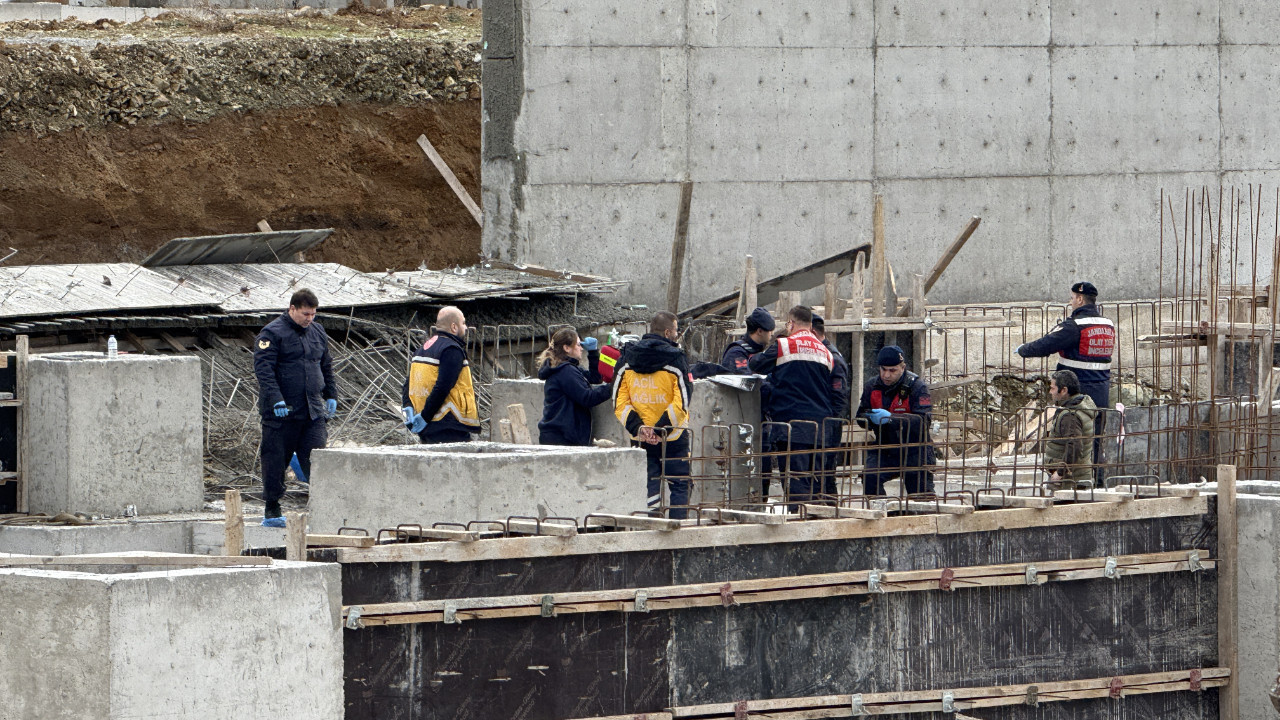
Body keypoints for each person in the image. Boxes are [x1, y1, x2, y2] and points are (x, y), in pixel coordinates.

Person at [253, 289, 337, 528]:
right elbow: (264, 370)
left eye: (313, 314)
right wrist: (275, 399)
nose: (309, 318)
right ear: (292, 309)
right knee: (276, 459)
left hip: (312, 410)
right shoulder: (271, 333)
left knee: (317, 459)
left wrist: (331, 394)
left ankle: (322, 507)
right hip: (282, 413)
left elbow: (326, 364)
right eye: (305, 314)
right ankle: (272, 509)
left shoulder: (317, 331)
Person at [749, 305, 834, 506]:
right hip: (820, 427)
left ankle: (799, 524)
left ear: (791, 323)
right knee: (815, 482)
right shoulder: (826, 352)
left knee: (796, 482)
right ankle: (816, 525)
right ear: (811, 326)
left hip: (792, 426)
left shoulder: (784, 345)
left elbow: (755, 365)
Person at [614, 311, 692, 519]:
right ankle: (677, 532)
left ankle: (652, 529)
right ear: (668, 332)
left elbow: (619, 402)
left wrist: (640, 428)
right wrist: (661, 429)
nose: (677, 335)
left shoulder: (626, 359)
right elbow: (682, 401)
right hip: (673, 437)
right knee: (680, 484)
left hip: (640, 438)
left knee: (648, 484)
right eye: (676, 331)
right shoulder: (676, 359)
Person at [1016, 281, 1114, 423]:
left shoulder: (1074, 326)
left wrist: (1023, 350)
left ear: (1080, 299)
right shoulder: (1107, 324)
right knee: (1094, 434)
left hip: (1077, 391)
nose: (1071, 302)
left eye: (1072, 298)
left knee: (1071, 433)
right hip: (1101, 390)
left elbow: (1046, 344)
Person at [856, 345, 935, 496]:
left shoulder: (917, 387)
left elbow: (924, 421)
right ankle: (882, 513)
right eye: (883, 369)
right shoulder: (872, 386)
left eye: (892, 370)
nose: (886, 375)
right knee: (870, 476)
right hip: (886, 449)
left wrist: (891, 419)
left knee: (921, 496)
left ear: (903, 367)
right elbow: (860, 416)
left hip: (915, 450)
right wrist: (870, 419)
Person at [402, 306, 480, 444]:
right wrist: (425, 416)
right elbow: (443, 387)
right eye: (463, 323)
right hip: (448, 425)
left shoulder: (422, 350)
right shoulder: (451, 350)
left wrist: (407, 405)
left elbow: (409, 382)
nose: (466, 327)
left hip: (427, 428)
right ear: (454, 327)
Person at [537, 327, 612, 446]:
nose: (582, 348)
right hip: (561, 438)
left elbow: (595, 379)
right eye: (578, 345)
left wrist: (593, 352)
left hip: (560, 436)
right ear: (566, 348)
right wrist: (614, 386)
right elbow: (587, 398)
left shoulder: (568, 368)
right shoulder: (565, 371)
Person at [812, 315, 849, 498]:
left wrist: (831, 425)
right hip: (824, 422)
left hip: (829, 424)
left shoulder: (832, 357)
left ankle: (831, 511)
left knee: (826, 474)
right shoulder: (822, 353)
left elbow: (839, 397)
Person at [1043, 369, 1098, 490]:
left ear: (1063, 390)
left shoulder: (1070, 416)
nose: (1050, 392)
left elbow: (1075, 447)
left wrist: (1060, 473)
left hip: (1070, 481)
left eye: (1052, 388)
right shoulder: (1078, 408)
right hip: (1077, 477)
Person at [720, 307, 775, 374]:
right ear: (760, 331)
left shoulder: (764, 350)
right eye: (770, 331)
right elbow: (744, 379)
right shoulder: (736, 353)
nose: (772, 334)